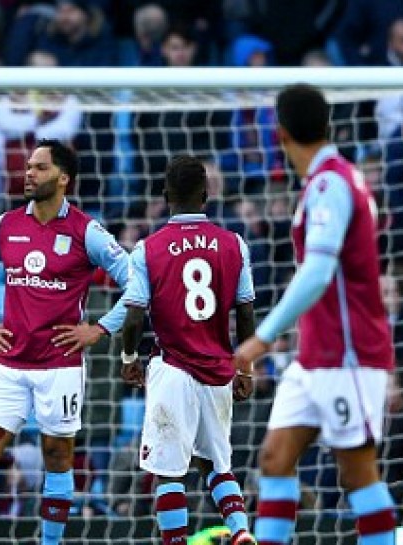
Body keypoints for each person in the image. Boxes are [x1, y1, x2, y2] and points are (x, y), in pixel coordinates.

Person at [233, 83, 396, 545]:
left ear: (279, 133)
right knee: (274, 459)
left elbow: (320, 271)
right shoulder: (333, 180)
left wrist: (261, 338)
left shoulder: (330, 184)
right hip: (315, 355)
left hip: (349, 353)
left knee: (358, 473)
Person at [0, 138, 130, 545]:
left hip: (60, 365)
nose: (29, 172)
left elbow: (136, 284)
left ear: (63, 178)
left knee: (57, 455)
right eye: (29, 166)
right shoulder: (4, 226)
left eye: (39, 167)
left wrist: (100, 328)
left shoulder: (86, 231)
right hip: (10, 364)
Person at [118, 155, 259, 545]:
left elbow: (133, 318)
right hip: (218, 368)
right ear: (206, 194)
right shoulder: (234, 244)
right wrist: (244, 369)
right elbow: (246, 314)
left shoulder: (148, 249)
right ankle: (241, 530)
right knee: (216, 464)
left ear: (165, 195)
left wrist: (129, 360)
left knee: (169, 471)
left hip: (173, 366)